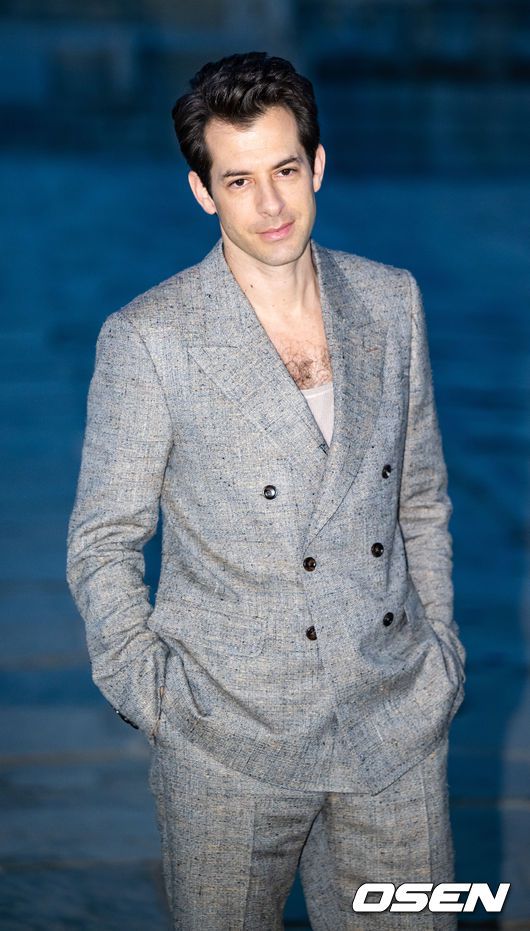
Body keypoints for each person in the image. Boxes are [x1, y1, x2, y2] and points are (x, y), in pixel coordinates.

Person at [66, 51, 466, 930]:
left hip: (394, 720)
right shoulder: (150, 338)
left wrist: (439, 653)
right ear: (202, 192)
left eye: (285, 170)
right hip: (229, 742)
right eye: (239, 180)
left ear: (317, 164)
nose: (271, 205)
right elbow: (102, 540)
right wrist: (156, 699)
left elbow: (422, 497)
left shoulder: (390, 301)